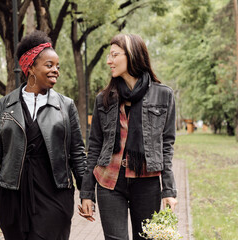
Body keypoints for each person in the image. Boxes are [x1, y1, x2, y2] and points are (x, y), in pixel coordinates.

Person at [0, 30, 86, 240]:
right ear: (30, 67)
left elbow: (77, 153)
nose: (56, 71)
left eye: (57, 66)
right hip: (12, 195)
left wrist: (86, 194)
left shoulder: (66, 106)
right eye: (49, 65)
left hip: (54, 193)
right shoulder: (6, 105)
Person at [79, 33, 178, 240]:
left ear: (131, 56)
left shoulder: (163, 95)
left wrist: (168, 189)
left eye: (114, 55)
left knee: (147, 237)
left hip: (147, 182)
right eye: (109, 56)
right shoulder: (104, 99)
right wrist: (87, 192)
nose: (109, 61)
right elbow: (94, 146)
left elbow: (166, 145)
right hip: (109, 182)